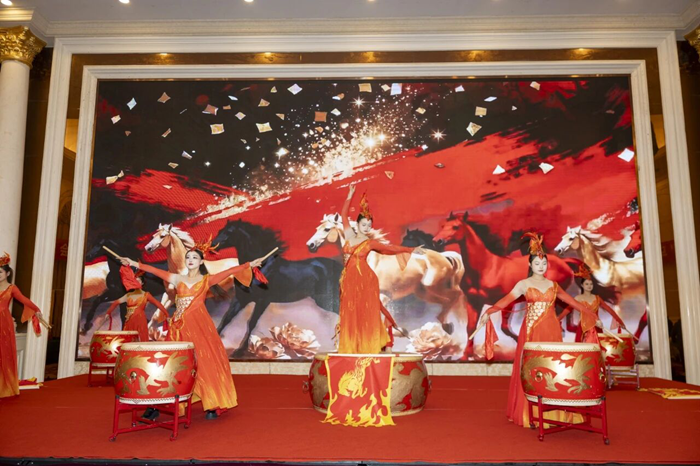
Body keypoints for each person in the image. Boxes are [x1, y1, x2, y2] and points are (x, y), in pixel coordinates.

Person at [121, 240, 265, 420]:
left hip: (199, 326)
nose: (190, 260)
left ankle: (212, 402)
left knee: (205, 362)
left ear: (201, 262)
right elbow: (154, 271)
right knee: (172, 364)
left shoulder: (206, 280)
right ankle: (158, 404)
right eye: (188, 257)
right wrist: (133, 263)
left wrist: (249, 265)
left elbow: (229, 271)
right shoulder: (177, 278)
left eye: (194, 258)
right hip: (179, 328)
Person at [476, 233, 603, 427]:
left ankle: (555, 412)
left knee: (554, 368)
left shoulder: (553, 285)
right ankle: (530, 414)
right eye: (537, 263)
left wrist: (593, 316)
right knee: (532, 369)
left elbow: (573, 303)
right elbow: (506, 300)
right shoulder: (523, 284)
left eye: (544, 263)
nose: (541, 266)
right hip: (531, 331)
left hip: (552, 330)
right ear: (530, 265)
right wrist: (490, 311)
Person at [337, 185, 422, 354]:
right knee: (350, 312)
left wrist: (410, 250)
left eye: (369, 225)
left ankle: (369, 344)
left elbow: (391, 248)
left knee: (366, 312)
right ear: (357, 224)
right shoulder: (348, 235)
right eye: (364, 224)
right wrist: (350, 195)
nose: (366, 227)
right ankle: (352, 345)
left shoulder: (370, 243)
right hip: (348, 279)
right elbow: (344, 215)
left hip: (365, 280)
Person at [0, 252, 44, 398]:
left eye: (0, 272)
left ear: (7, 273)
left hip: (3, 322)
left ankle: (5, 387)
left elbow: (24, 300)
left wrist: (36, 309)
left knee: (4, 353)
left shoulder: (12, 288)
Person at [557, 264, 628, 343]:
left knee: (597, 347)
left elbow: (609, 310)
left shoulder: (597, 298)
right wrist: (557, 319)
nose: (589, 286)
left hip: (596, 326)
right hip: (583, 328)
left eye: (591, 284)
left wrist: (619, 321)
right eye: (587, 284)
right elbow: (567, 310)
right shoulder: (578, 298)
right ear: (582, 285)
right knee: (584, 348)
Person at [98, 266, 170, 342]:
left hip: (140, 320)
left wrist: (166, 314)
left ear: (142, 283)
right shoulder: (128, 295)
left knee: (142, 340)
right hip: (129, 320)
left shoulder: (146, 295)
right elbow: (116, 303)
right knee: (128, 340)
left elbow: (158, 304)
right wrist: (108, 313)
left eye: (138, 281)